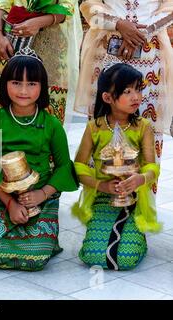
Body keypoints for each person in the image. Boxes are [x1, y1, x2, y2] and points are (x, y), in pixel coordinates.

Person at [0, 50, 78, 271]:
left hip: (41, 199)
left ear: (42, 87)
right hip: (3, 197)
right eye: (16, 82)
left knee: (35, 259)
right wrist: (10, 204)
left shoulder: (51, 123)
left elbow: (63, 166)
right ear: (4, 84)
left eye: (31, 83)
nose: (23, 90)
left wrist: (41, 194)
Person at [73, 63, 161, 271]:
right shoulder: (95, 127)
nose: (136, 97)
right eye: (127, 91)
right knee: (92, 255)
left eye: (138, 89)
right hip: (103, 196)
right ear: (107, 98)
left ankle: (138, 237)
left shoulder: (143, 127)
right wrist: (101, 186)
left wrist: (140, 179)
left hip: (134, 198)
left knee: (127, 258)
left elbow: (152, 167)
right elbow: (78, 165)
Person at [75, 0, 173, 162]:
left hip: (149, 56)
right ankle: (100, 184)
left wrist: (142, 32)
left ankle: (143, 184)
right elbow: (88, 8)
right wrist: (118, 24)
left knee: (145, 123)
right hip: (107, 49)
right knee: (104, 119)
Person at [0, 0, 82, 124]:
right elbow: (1, 2)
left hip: (51, 48)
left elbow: (68, 7)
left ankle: (42, 143)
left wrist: (39, 22)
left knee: (49, 113)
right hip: (12, 41)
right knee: (3, 110)